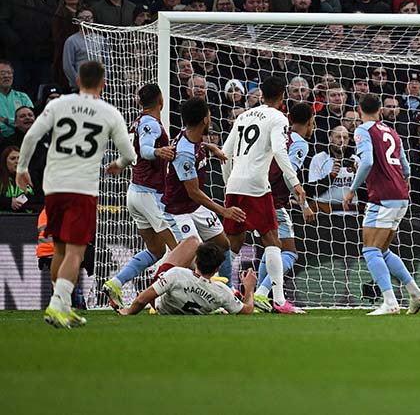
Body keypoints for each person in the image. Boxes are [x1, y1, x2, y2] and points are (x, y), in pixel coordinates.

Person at [16, 60, 137, 328]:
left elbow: (32, 136)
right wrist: (118, 165)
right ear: (103, 84)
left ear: (78, 81)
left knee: (59, 249)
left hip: (54, 187)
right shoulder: (109, 112)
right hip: (82, 189)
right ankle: (58, 305)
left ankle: (63, 305)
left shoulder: (59, 104)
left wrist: (22, 168)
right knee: (75, 252)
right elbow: (129, 154)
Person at [222, 75, 306, 314]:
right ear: (282, 97)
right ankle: (278, 300)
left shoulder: (244, 116)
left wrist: (229, 182)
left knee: (233, 243)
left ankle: (218, 292)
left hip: (235, 184)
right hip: (258, 186)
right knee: (272, 241)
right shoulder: (278, 118)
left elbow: (225, 153)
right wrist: (295, 182)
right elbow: (280, 151)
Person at [346, 93, 420, 315]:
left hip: (382, 196)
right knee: (383, 250)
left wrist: (352, 190)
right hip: (401, 194)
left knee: (370, 250)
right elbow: (406, 167)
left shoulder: (363, 130)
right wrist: (404, 183)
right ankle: (416, 293)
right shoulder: (391, 131)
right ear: (380, 111)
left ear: (358, 110)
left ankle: (390, 302)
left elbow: (367, 162)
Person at [102, 84, 179, 309]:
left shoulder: (138, 122)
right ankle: (158, 298)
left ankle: (116, 282)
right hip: (150, 195)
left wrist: (120, 163)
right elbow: (144, 150)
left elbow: (131, 151)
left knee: (156, 250)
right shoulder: (150, 123)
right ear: (161, 100)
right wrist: (157, 152)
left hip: (135, 193)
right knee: (180, 248)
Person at [160, 96, 236, 284]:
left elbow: (197, 144)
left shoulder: (191, 136)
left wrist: (211, 148)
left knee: (223, 244)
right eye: (209, 114)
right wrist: (223, 211)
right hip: (178, 211)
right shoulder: (184, 153)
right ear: (205, 120)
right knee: (196, 256)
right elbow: (193, 191)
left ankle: (229, 290)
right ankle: (163, 290)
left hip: (193, 206)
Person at [253, 102, 314, 312]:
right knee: (289, 253)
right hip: (273, 200)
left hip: (256, 194)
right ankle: (262, 292)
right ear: (310, 122)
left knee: (271, 247)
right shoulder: (299, 144)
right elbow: (290, 174)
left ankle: (259, 297)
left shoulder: (279, 136)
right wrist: (304, 204)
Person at [118, 237, 257, 316]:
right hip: (200, 302)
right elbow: (247, 310)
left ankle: (116, 281)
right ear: (217, 269)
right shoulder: (223, 291)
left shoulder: (176, 273)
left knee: (193, 241)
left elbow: (141, 300)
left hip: (160, 304)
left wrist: (128, 311)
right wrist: (249, 288)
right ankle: (215, 299)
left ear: (196, 260)